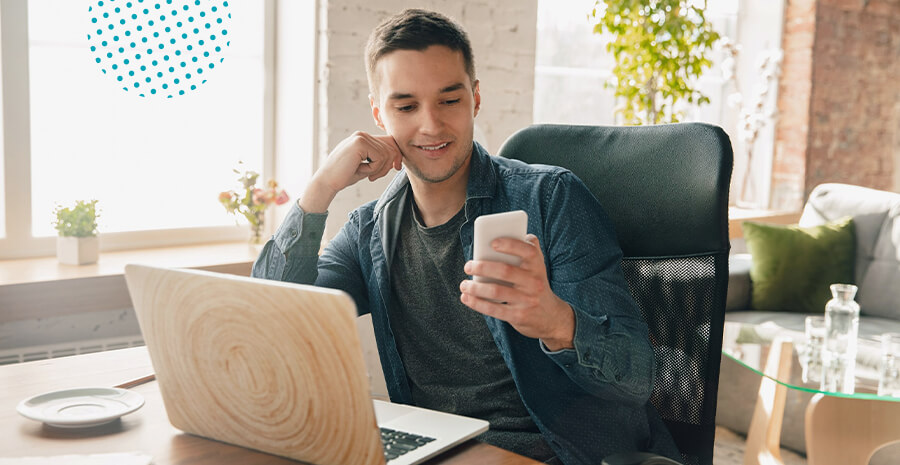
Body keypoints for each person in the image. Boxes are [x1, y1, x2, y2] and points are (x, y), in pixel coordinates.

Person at [252, 8, 679, 465]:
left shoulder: (551, 199)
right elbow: (270, 321)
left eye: (449, 101)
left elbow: (638, 377)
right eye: (406, 106)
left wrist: (557, 323)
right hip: (437, 452)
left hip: (553, 453)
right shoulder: (369, 231)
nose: (431, 125)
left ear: (475, 99)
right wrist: (320, 189)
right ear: (379, 113)